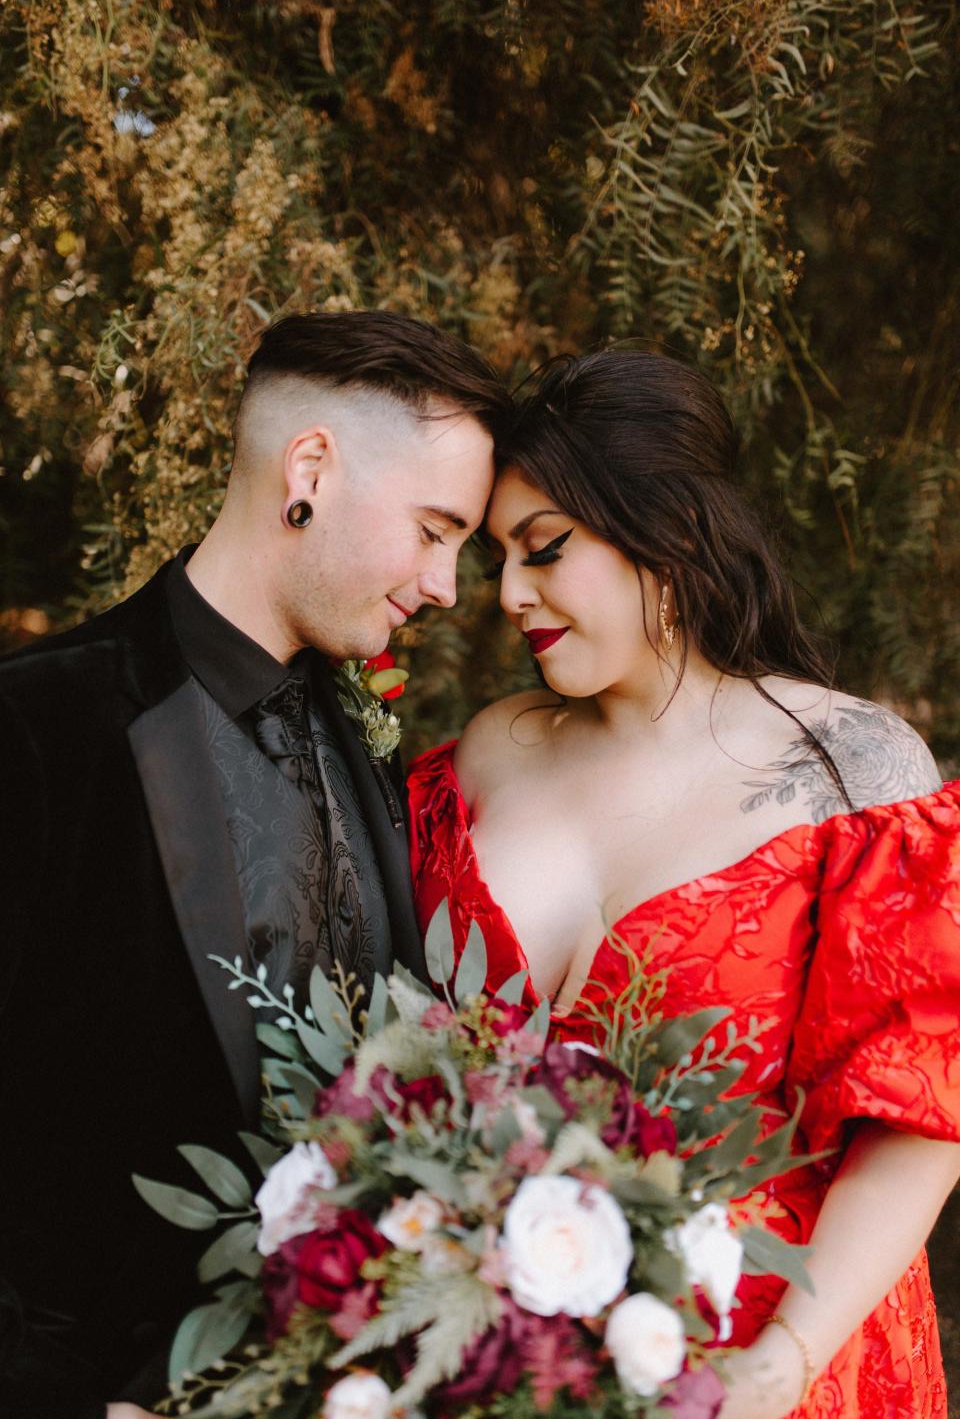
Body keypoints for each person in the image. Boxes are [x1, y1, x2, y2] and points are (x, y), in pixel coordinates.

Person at [407, 350, 960, 1419]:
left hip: (778, 1355)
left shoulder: (854, 771)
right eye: (497, 560)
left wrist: (774, 1368)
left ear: (671, 534)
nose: (511, 594)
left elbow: (920, 1124)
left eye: (546, 550)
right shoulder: (488, 755)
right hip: (516, 1357)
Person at [0, 310, 506, 1419]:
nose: (449, 585)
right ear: (310, 468)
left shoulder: (372, 745)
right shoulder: (43, 727)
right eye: (434, 529)